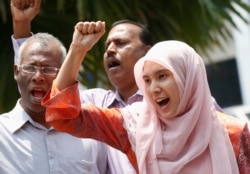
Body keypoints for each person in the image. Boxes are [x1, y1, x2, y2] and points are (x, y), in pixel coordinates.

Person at [42, 21, 240, 173]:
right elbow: (61, 114)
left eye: (162, 76)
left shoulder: (233, 132)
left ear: (187, 77)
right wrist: (77, 51)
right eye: (146, 80)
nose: (153, 89)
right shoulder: (133, 126)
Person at [10, 0, 153, 173]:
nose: (110, 50)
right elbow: (44, 93)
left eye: (121, 43)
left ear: (147, 53)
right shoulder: (95, 103)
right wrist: (22, 24)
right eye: (107, 45)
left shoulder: (163, 103)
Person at [0, 2, 109, 173]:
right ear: (16, 72)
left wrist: (78, 49)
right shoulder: (2, 134)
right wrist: (21, 24)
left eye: (49, 70)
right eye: (30, 68)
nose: (38, 77)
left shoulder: (89, 132)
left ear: (62, 74)